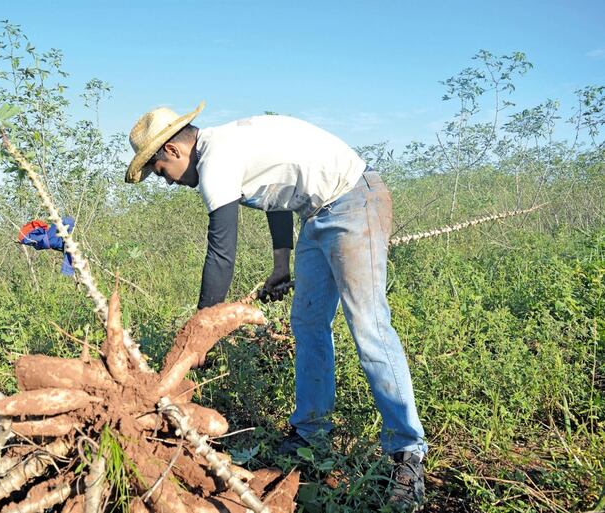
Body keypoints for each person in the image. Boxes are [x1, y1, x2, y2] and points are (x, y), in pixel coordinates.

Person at [125, 102, 427, 508]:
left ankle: (407, 453)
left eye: (160, 171)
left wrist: (200, 332)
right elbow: (279, 197)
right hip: (316, 214)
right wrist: (280, 265)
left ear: (174, 152)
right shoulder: (227, 149)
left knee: (368, 325)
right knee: (307, 323)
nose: (166, 181)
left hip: (354, 200)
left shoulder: (216, 160)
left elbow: (221, 254)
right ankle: (311, 435)